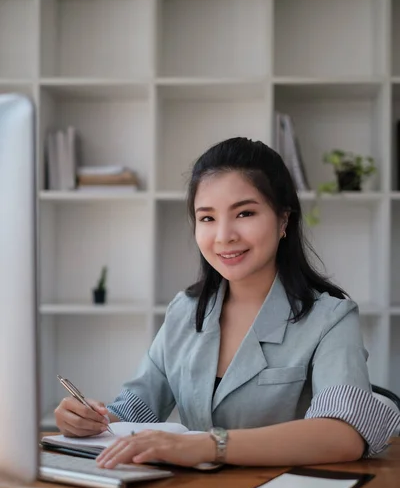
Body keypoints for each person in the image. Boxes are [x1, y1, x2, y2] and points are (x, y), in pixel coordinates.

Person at [55, 137, 400, 469]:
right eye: (207, 218)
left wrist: (208, 445)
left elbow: (342, 434)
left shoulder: (330, 318)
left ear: (284, 220)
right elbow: (135, 409)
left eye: (245, 213)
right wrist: (90, 420)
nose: (223, 236)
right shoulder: (185, 311)